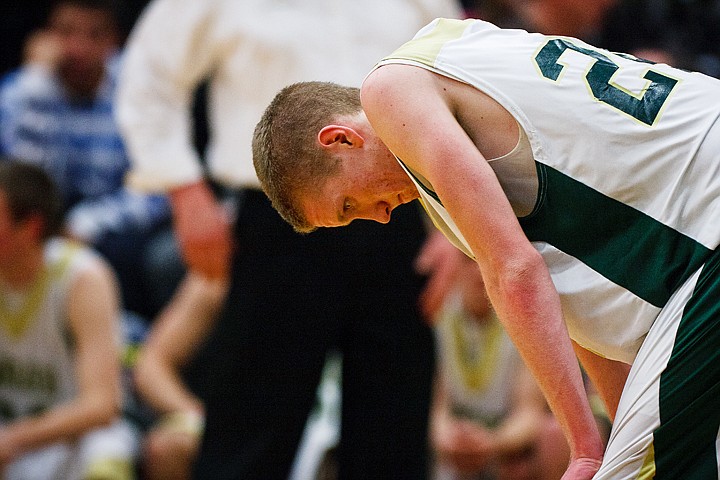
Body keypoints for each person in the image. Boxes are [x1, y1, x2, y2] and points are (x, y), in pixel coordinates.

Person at [253, 16, 720, 479]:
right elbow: (573, 299)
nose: (377, 216)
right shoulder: (447, 48)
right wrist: (619, 429)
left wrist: (585, 448)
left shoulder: (390, 92)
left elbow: (517, 273)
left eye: (349, 204)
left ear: (341, 139)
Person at [115, 0, 464, 478]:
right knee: (252, 424)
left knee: (394, 428)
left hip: (401, 211)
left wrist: (455, 223)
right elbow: (149, 75)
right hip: (278, 221)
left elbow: (455, 78)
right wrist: (185, 189)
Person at [0, 0, 182, 320]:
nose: (78, 48)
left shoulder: (139, 87)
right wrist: (41, 89)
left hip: (118, 231)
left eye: (94, 35)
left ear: (114, 41)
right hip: (47, 222)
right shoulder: (24, 92)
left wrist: (88, 224)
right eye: (66, 32)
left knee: (159, 255)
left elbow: (158, 186)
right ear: (47, 36)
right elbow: (27, 189)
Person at [0, 159, 138, 480]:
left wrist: (13, 439)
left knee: (107, 454)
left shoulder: (81, 278)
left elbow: (103, 405)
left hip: (66, 438)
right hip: (9, 439)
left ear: (30, 227)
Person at [429, 253, 557, 480]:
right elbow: (436, 410)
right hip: (454, 443)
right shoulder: (438, 313)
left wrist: (491, 442)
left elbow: (529, 414)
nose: (478, 269)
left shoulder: (524, 317)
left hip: (505, 444)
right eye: (467, 260)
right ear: (452, 266)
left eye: (483, 258)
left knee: (552, 437)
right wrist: (450, 439)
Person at [133, 272, 227, 480]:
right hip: (215, 420)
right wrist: (196, 416)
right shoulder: (217, 278)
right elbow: (151, 367)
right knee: (169, 447)